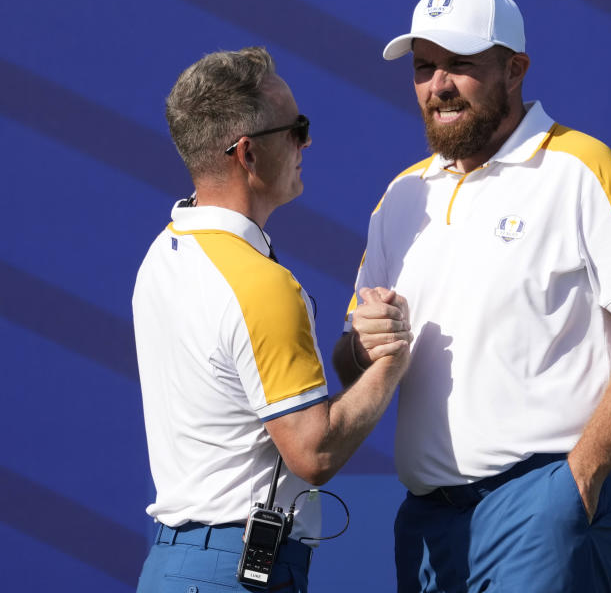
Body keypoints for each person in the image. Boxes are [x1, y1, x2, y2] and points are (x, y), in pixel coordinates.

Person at [332, 0, 611, 593]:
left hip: (542, 504)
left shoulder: (584, 169)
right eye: (424, 67)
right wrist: (364, 347)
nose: (437, 86)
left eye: (460, 65)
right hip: (426, 521)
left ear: (515, 68)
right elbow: (352, 361)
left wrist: (582, 477)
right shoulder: (401, 196)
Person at [132, 47, 412, 592]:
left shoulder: (163, 251)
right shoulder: (261, 287)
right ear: (248, 155)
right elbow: (314, 452)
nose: (306, 142)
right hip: (235, 573)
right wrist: (392, 360)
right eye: (296, 129)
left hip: (174, 566)